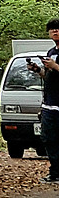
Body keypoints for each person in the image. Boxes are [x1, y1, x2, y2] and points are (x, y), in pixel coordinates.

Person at [27, 18, 59, 183]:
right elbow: (48, 76)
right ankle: (55, 172)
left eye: (58, 29)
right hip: (49, 103)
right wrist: (38, 70)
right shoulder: (51, 52)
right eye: (52, 29)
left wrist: (55, 66)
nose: (55, 32)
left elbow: (55, 69)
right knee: (48, 138)